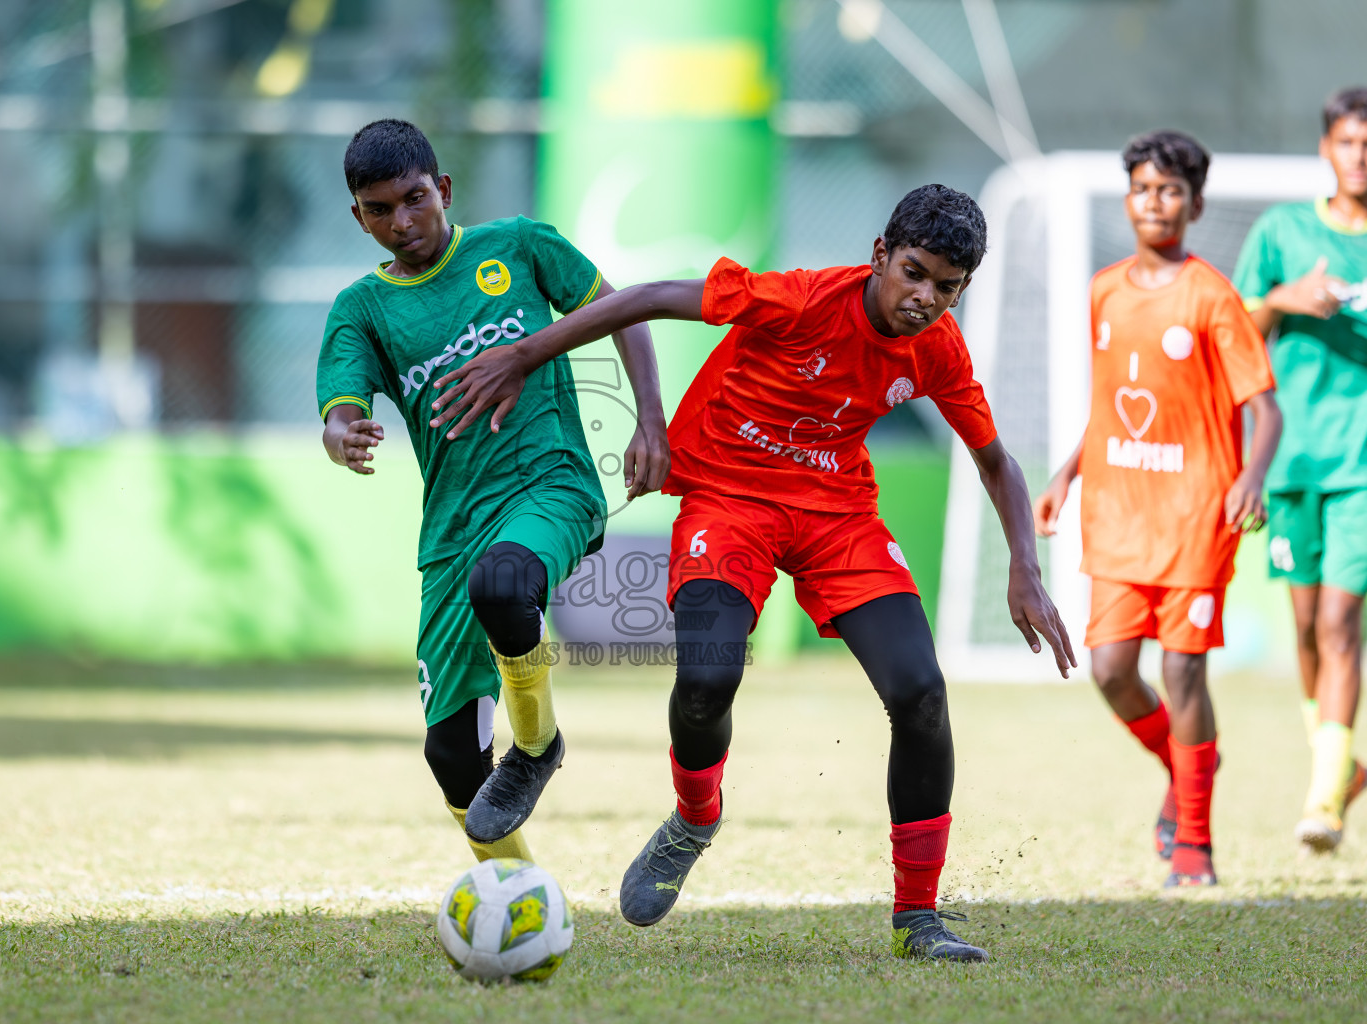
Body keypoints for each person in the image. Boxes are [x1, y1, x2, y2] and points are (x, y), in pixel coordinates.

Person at [430, 184, 1075, 962]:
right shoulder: (798, 300)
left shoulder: (936, 349)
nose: (925, 298)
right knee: (707, 679)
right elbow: (653, 296)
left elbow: (996, 462)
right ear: (880, 256)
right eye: (914, 272)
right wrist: (532, 354)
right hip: (728, 505)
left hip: (840, 519)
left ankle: (919, 919)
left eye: (947, 287)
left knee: (922, 694)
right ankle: (694, 818)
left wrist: (1025, 570)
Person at [317, 119, 668, 863]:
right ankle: (516, 894)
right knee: (450, 759)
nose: (402, 222)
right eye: (379, 210)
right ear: (358, 216)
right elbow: (341, 406)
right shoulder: (362, 309)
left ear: (442, 189)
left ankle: (537, 744)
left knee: (505, 584)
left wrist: (649, 421)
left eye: (414, 199)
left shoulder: (517, 246)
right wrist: (342, 434)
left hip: (552, 484)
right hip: (450, 533)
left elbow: (628, 309)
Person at [1035, 131, 1282, 887]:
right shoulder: (1103, 291)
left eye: (1171, 190)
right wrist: (1067, 472)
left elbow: (1264, 408)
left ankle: (1195, 848)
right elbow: (1114, 406)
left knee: (1182, 675)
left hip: (1194, 516)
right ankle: (1189, 767)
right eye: (1144, 188)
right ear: (1128, 199)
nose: (1155, 201)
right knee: (1110, 670)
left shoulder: (1212, 296)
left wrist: (1253, 477)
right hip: (1116, 514)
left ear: (1195, 205)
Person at [1233, 87, 1367, 854]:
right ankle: (1342, 764)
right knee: (1307, 631)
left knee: (1340, 625)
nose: (1359, 156)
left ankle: (1323, 800)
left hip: (1361, 463)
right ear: (1327, 148)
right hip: (1290, 461)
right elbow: (1233, 326)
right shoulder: (1282, 230)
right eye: (1348, 142)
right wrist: (1285, 298)